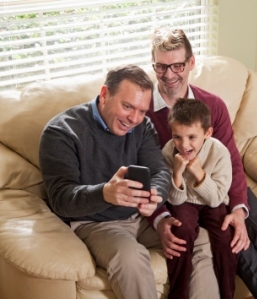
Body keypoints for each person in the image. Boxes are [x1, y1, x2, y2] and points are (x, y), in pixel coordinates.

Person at [147, 27, 257, 298]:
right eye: (161, 67)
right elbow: (149, 175)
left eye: (177, 65)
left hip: (222, 183)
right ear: (153, 65)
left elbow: (232, 162)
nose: (169, 74)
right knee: (239, 247)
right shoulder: (144, 112)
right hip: (185, 195)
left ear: (191, 63)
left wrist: (238, 209)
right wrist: (159, 217)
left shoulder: (213, 105)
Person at [39, 64, 171, 299]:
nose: (134, 118)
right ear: (104, 94)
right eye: (127, 106)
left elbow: (160, 172)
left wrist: (156, 195)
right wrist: (104, 194)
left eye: (142, 111)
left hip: (140, 218)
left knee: (198, 238)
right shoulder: (61, 131)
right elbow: (60, 199)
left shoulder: (142, 126)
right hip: (95, 224)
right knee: (130, 257)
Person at [161, 98, 237, 299]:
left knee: (225, 235)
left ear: (207, 133)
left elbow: (216, 199)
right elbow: (175, 201)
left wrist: (199, 174)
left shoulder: (219, 152)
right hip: (184, 201)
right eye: (177, 137)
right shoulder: (169, 151)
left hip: (212, 202)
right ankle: (179, 294)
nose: (184, 145)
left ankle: (227, 293)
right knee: (181, 230)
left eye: (192, 137)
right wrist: (177, 174)